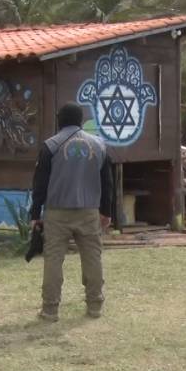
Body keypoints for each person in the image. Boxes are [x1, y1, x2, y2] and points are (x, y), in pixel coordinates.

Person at [29, 103, 113, 321]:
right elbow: (108, 183)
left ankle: (50, 309)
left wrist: (35, 214)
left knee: (53, 260)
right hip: (89, 212)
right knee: (93, 258)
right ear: (80, 120)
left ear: (60, 120)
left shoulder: (50, 146)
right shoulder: (99, 146)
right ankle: (95, 306)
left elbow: (40, 184)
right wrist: (107, 211)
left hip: (57, 213)